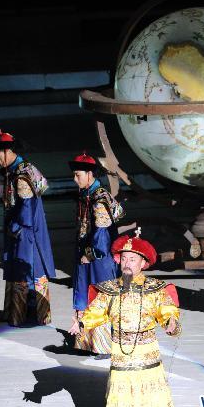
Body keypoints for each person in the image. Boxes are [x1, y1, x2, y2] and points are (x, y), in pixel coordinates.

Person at [70, 229, 181, 407]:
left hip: (147, 353)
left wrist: (171, 322)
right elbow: (96, 310)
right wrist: (81, 323)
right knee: (121, 397)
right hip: (121, 352)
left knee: (150, 397)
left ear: (143, 263)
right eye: (124, 259)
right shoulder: (109, 289)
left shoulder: (155, 288)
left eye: (132, 259)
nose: (127, 263)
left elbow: (167, 309)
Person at [0, 130, 55, 326]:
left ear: (7, 151)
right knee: (16, 267)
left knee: (25, 268)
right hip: (18, 228)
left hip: (25, 232)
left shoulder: (22, 175)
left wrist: (15, 228)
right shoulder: (16, 170)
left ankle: (24, 315)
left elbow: (26, 209)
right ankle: (16, 313)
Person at [67, 151, 123, 355]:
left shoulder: (99, 199)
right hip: (88, 254)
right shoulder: (88, 195)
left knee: (100, 296)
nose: (75, 179)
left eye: (78, 175)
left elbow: (102, 234)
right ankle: (89, 342)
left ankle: (105, 345)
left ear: (90, 174)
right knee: (87, 294)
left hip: (99, 259)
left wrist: (89, 254)